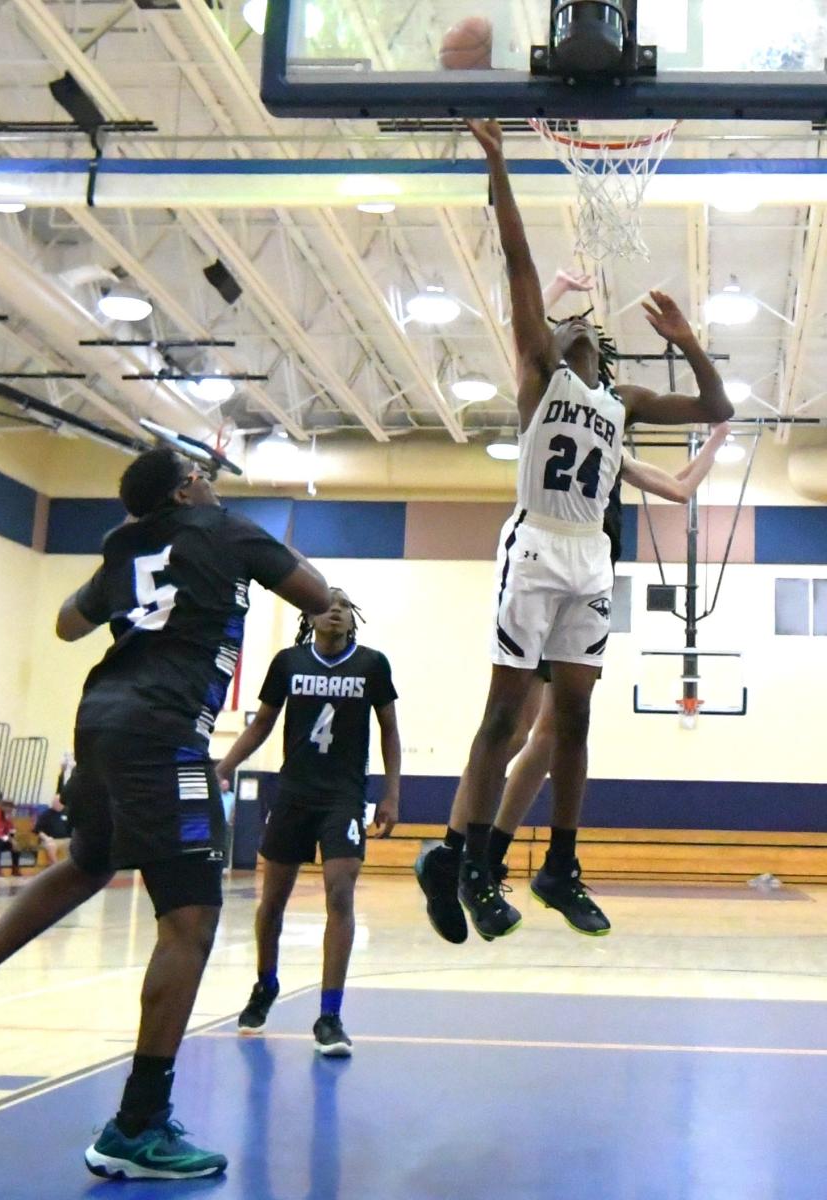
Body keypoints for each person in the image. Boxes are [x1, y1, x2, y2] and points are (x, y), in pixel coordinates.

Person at [0, 445, 330, 1182]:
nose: (212, 481)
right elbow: (316, 591)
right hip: (164, 732)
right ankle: (137, 1124)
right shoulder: (225, 528)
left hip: (98, 723)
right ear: (190, 487)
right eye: (203, 476)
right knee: (191, 919)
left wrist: (124, 568)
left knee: (89, 862)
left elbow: (68, 624)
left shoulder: (124, 545)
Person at [415, 117, 733, 945]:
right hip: (536, 547)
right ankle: (471, 862)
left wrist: (691, 342)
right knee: (504, 718)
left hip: (592, 558)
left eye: (587, 328)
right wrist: (499, 168)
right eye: (565, 325)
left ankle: (559, 862)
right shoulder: (538, 376)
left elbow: (715, 410)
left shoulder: (618, 405)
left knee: (575, 725)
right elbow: (518, 264)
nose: (578, 326)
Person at [418, 423, 732, 941]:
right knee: (512, 728)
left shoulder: (611, 452)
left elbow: (678, 489)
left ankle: (490, 855)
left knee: (552, 736)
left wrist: (717, 440)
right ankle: (454, 854)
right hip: (545, 569)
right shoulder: (555, 425)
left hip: (587, 579)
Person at [216, 587, 400, 1057]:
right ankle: (266, 984)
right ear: (311, 615)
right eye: (327, 602)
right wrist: (224, 767)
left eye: (343, 604)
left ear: (352, 619)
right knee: (271, 902)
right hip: (294, 793)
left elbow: (389, 730)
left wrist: (392, 793)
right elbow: (261, 725)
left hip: (343, 797)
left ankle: (330, 1015)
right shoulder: (288, 663)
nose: (335, 608)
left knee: (340, 892)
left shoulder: (372, 665)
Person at [33, 793, 72, 866]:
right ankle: (55, 866)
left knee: (77, 844)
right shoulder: (46, 814)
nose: (55, 804)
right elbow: (38, 830)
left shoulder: (68, 813)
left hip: (66, 839)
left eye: (58, 802)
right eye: (54, 802)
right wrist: (46, 838)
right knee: (51, 845)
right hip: (51, 839)